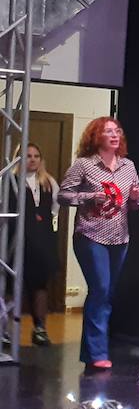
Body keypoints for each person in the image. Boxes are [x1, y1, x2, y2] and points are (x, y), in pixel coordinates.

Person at [58, 116, 139, 371]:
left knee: (105, 294)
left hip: (120, 237)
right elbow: (62, 195)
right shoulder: (84, 165)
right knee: (101, 289)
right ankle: (97, 353)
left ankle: (91, 353)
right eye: (108, 131)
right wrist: (89, 196)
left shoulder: (128, 166)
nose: (115, 135)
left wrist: (137, 198)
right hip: (91, 235)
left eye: (118, 131)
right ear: (96, 136)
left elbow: (134, 205)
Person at [22, 144, 59, 346]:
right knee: (12, 285)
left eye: (36, 155)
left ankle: (40, 328)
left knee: (40, 285)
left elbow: (54, 210)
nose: (33, 159)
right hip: (17, 239)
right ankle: (5, 330)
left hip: (42, 241)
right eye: (28, 156)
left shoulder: (49, 182)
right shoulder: (10, 180)